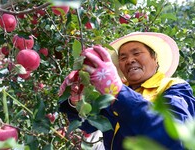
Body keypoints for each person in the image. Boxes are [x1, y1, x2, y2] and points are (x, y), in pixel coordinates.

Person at [58, 32, 195, 150]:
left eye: (136, 53)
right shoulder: (112, 96)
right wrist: (77, 102)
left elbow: (175, 136)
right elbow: (89, 125)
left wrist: (119, 92)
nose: (129, 60)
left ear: (155, 58)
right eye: (123, 58)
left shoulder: (175, 87)